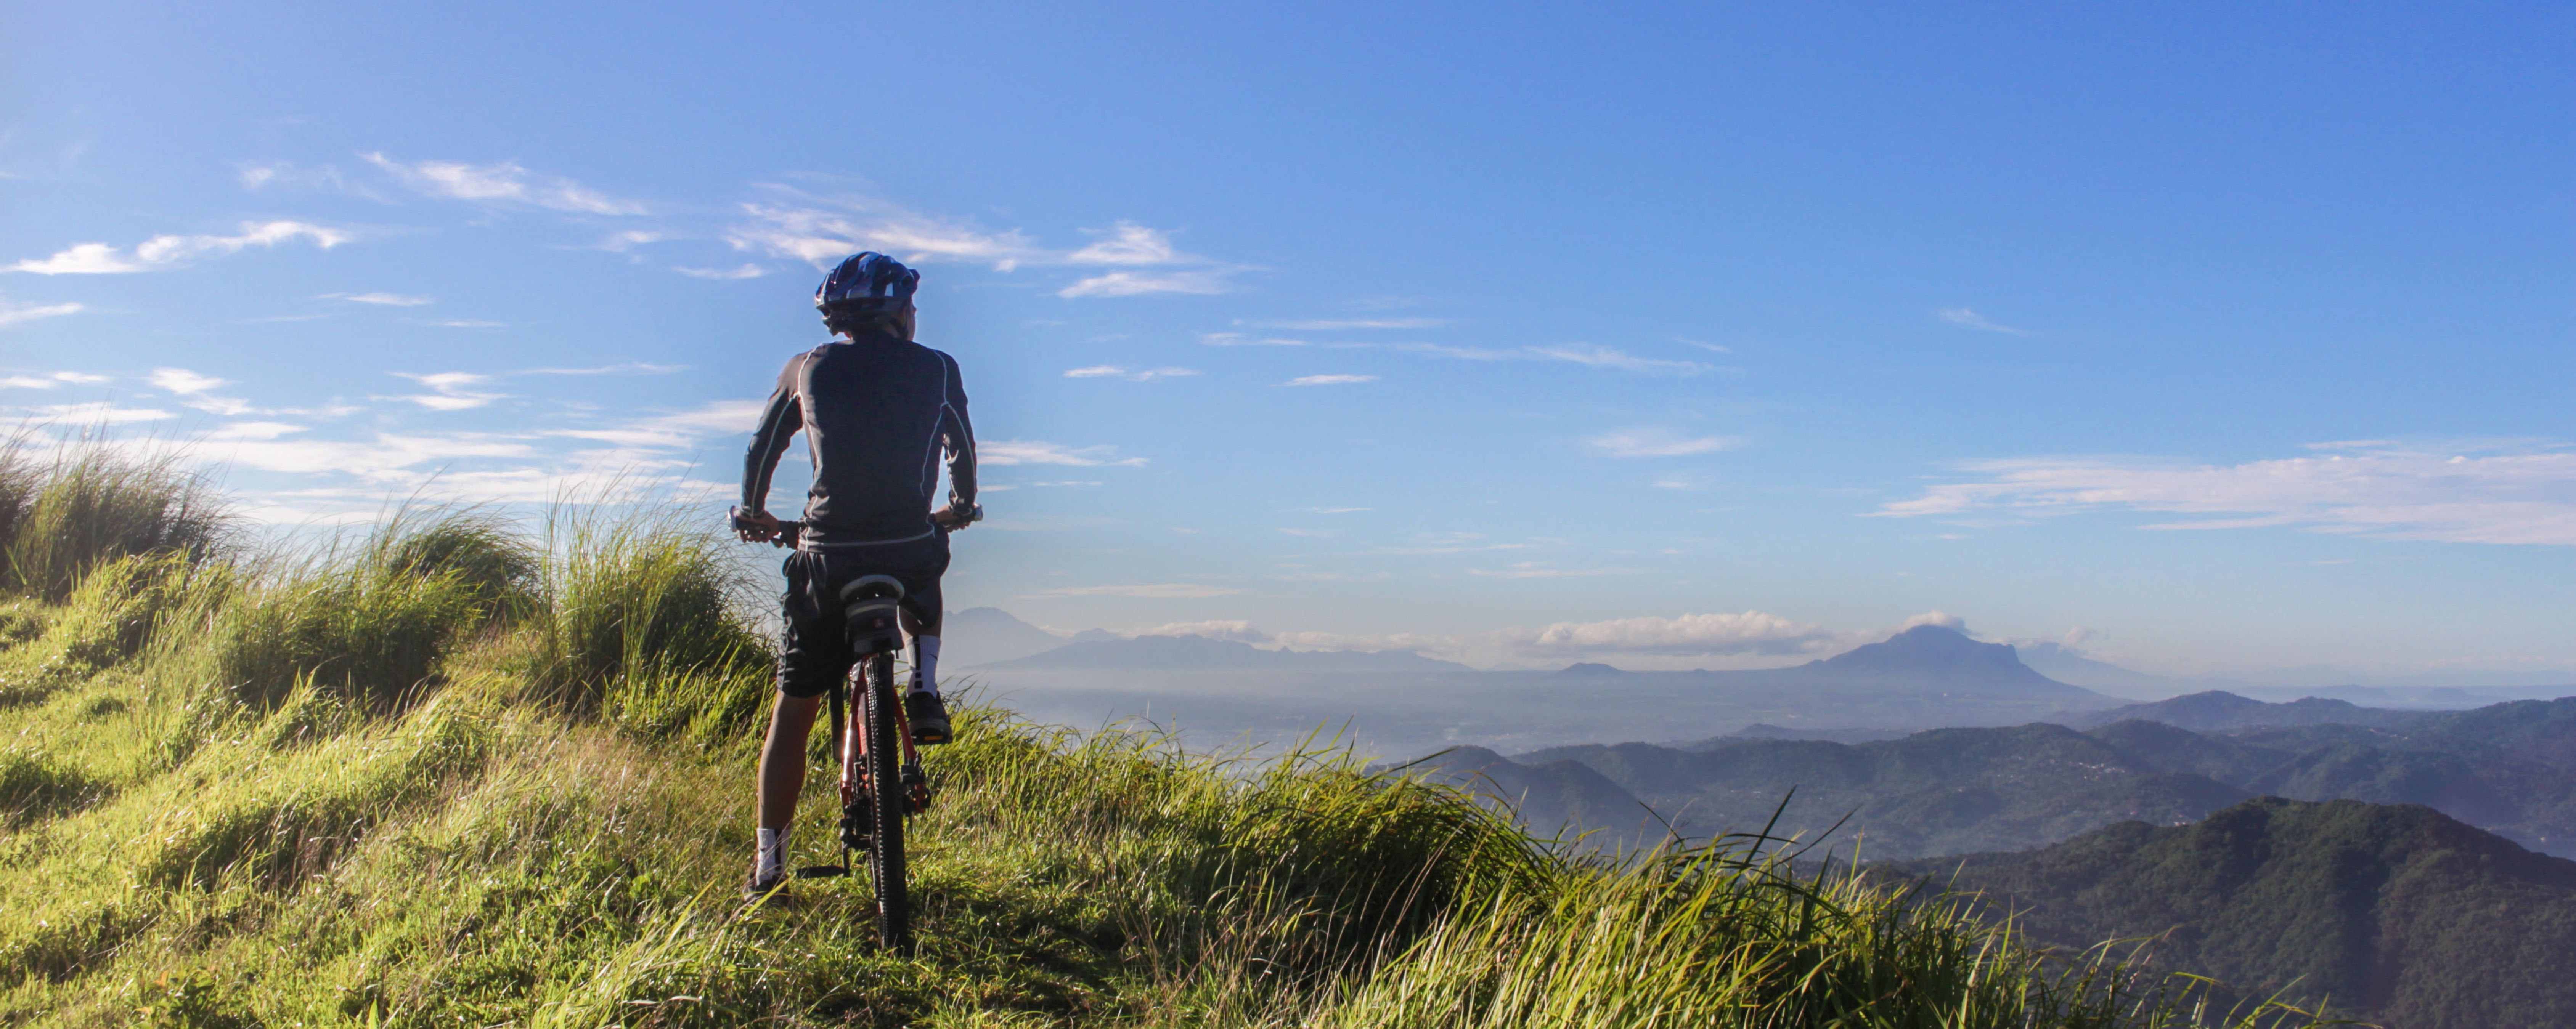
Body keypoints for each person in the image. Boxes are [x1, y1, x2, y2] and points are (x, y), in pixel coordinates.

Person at [736, 251, 979, 896]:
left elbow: (763, 447)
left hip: (825, 555)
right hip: (907, 547)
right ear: (900, 313)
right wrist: (959, 506)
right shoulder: (937, 368)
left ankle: (768, 870)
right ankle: (924, 685)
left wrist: (754, 512)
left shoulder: (806, 368)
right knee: (929, 570)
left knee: (794, 711)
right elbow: (961, 445)